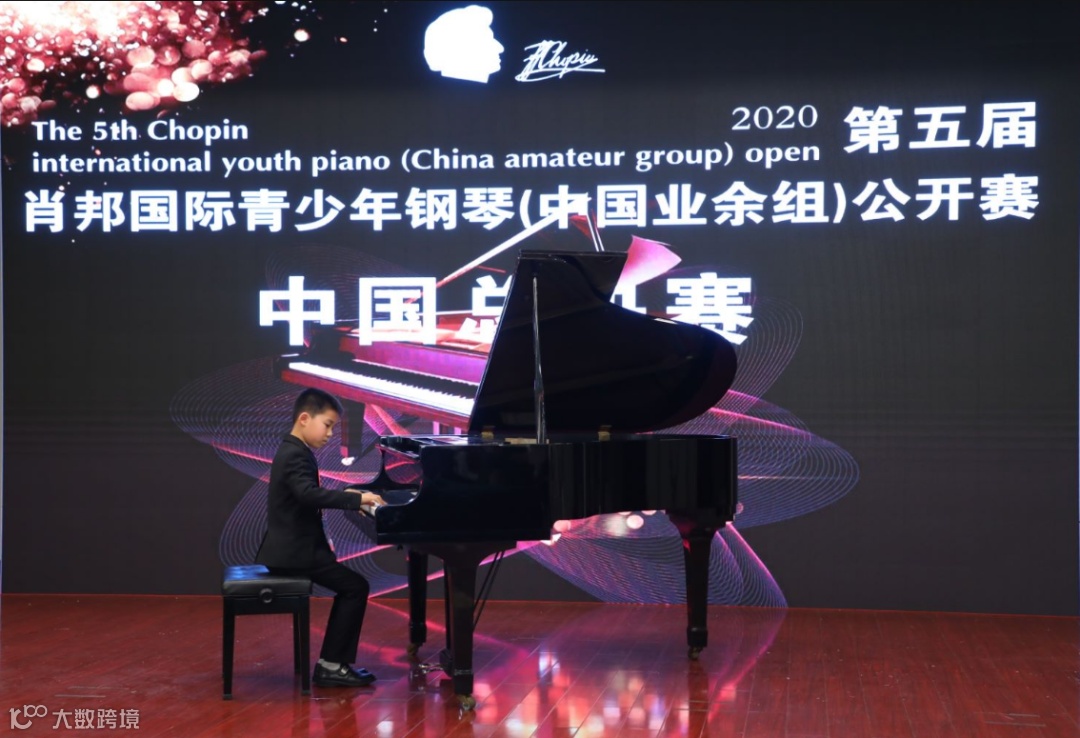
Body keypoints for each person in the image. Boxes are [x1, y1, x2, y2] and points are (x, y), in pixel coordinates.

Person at [255, 388, 385, 688]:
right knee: (355, 587)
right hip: (294, 554)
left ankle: (332, 662)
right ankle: (331, 665)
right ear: (304, 419)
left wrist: (350, 498)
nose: (330, 434)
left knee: (353, 586)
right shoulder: (294, 454)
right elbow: (307, 495)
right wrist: (355, 499)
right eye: (327, 425)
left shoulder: (294, 450)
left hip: (295, 549)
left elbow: (306, 496)